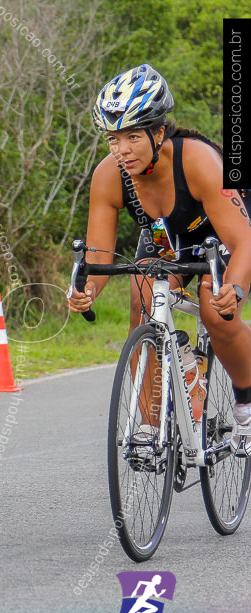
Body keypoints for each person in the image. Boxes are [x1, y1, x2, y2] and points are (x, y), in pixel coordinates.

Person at [68, 64, 251, 455]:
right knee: (141, 296)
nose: (122, 150)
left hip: (221, 231)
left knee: (215, 309)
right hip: (165, 236)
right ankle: (151, 425)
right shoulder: (110, 175)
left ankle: (246, 405)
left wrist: (233, 288)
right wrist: (86, 290)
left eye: (133, 136)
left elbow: (242, 239)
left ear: (159, 131)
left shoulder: (198, 161)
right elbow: (99, 254)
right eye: (113, 139)